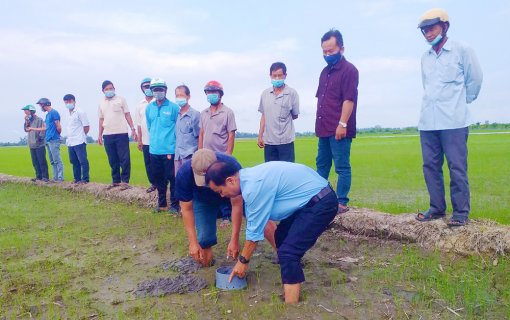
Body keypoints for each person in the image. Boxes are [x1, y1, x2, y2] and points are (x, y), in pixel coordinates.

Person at [205, 161, 337, 304]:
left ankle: (291, 306)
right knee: (281, 237)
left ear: (230, 181)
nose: (222, 196)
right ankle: (291, 280)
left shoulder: (253, 187)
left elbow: (254, 233)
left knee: (288, 252)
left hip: (321, 202)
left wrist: (242, 261)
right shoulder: (248, 178)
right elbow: (254, 223)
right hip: (310, 199)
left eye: (220, 191)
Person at [415, 8, 483, 227]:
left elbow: (475, 79)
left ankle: (461, 212)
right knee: (430, 166)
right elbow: (428, 86)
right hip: (428, 121)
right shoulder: (425, 58)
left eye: (432, 28)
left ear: (445, 26)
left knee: (456, 167)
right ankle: (436, 208)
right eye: (424, 30)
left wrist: (462, 103)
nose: (427, 33)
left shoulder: (462, 50)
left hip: (454, 121)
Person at [175, 149, 277, 267]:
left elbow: (237, 204)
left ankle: (285, 255)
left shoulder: (230, 165)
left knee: (263, 221)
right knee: (204, 239)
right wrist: (192, 242)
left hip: (231, 193)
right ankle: (207, 265)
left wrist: (234, 240)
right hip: (203, 200)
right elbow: (187, 209)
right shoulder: (184, 173)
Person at [315, 29, 359, 215]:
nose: (327, 55)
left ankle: (342, 201)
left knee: (342, 166)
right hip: (323, 128)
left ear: (341, 48)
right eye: (324, 51)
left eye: (331, 51)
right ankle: (320, 198)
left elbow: (349, 100)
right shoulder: (325, 72)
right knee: (322, 165)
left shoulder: (349, 70)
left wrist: (342, 124)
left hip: (339, 128)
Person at [198, 80, 237, 226]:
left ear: (220, 94)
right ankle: (214, 213)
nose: (211, 95)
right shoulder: (203, 113)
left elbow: (231, 134)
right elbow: (201, 133)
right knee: (209, 185)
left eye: (214, 92)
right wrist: (199, 152)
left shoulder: (228, 112)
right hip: (206, 156)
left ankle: (227, 215)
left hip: (221, 155)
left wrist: (228, 154)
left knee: (224, 185)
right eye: (208, 92)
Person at [145, 78, 180, 213]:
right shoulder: (149, 108)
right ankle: (162, 204)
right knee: (159, 179)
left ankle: (175, 205)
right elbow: (149, 126)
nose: (158, 92)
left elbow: (178, 128)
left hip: (169, 150)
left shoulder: (173, 107)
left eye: (160, 89)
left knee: (173, 178)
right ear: (152, 91)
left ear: (165, 91)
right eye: (155, 90)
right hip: (154, 150)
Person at [97, 80, 137, 190]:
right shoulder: (101, 103)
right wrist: (100, 134)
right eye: (107, 89)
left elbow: (127, 114)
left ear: (114, 88)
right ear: (103, 91)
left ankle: (125, 181)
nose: (109, 90)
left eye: (111, 88)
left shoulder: (121, 99)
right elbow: (101, 119)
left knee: (124, 158)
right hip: (108, 134)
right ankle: (116, 180)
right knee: (112, 159)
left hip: (121, 133)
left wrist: (132, 128)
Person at [257, 62, 300, 162]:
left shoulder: (292, 93)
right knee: (271, 172)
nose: (277, 78)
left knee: (287, 171)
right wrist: (260, 135)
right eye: (274, 75)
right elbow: (264, 115)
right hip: (269, 142)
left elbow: (295, 115)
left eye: (279, 75)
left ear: (285, 75)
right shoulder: (265, 94)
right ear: (270, 76)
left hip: (286, 141)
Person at [135, 77, 157, 193]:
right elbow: (139, 124)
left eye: (149, 86)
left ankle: (161, 184)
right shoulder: (140, 104)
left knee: (158, 163)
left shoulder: (158, 101)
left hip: (157, 140)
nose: (147, 88)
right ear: (142, 89)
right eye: (145, 86)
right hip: (145, 140)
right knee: (148, 164)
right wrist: (139, 140)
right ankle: (153, 184)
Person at [63, 94, 90, 184]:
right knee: (73, 161)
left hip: (79, 140)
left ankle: (85, 179)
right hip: (70, 141)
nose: (68, 103)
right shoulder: (67, 113)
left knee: (82, 160)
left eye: (70, 101)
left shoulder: (80, 112)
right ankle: (77, 178)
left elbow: (86, 126)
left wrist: (82, 135)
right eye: (66, 102)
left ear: (74, 101)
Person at [36, 98, 64, 182]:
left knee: (57, 159)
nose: (41, 107)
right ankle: (55, 178)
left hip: (54, 139)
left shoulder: (54, 113)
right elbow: (45, 127)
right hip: (48, 139)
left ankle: (60, 178)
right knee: (52, 161)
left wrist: (56, 135)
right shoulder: (47, 115)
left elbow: (58, 126)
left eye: (41, 105)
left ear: (45, 104)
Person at [174, 84, 200, 175]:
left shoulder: (195, 115)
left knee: (190, 183)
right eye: (177, 96)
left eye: (181, 95)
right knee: (179, 182)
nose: (179, 98)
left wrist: (198, 156)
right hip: (178, 157)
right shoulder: (176, 115)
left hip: (190, 157)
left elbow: (199, 137)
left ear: (188, 97)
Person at [22, 104, 49, 182]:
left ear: (32, 111)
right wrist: (26, 121)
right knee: (35, 162)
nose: (25, 113)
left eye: (26, 111)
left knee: (42, 161)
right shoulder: (28, 120)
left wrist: (40, 138)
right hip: (31, 144)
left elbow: (43, 130)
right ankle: (38, 176)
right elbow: (26, 129)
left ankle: (45, 177)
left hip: (39, 144)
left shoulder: (39, 120)